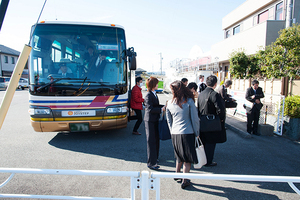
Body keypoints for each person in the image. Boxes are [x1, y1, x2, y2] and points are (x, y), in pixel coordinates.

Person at [166, 80, 199, 189]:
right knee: (187, 159)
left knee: (179, 155)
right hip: (187, 133)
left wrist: (172, 131)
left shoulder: (169, 103)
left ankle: (177, 174)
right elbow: (195, 120)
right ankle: (185, 180)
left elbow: (169, 120)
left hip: (175, 133)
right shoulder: (189, 102)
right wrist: (197, 133)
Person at [197, 75, 226, 167]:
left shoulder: (201, 94)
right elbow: (220, 109)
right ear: (216, 84)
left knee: (203, 142)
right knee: (210, 143)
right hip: (212, 122)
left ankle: (202, 159)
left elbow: (198, 108)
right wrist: (221, 119)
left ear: (206, 83)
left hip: (202, 120)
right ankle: (208, 161)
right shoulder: (214, 94)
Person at [144, 76, 166, 170]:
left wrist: (164, 106)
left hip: (155, 119)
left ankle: (155, 158)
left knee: (156, 140)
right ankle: (151, 163)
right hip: (150, 121)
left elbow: (155, 105)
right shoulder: (148, 95)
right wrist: (161, 109)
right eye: (156, 83)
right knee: (151, 141)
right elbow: (150, 109)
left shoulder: (154, 93)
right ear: (153, 85)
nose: (158, 85)